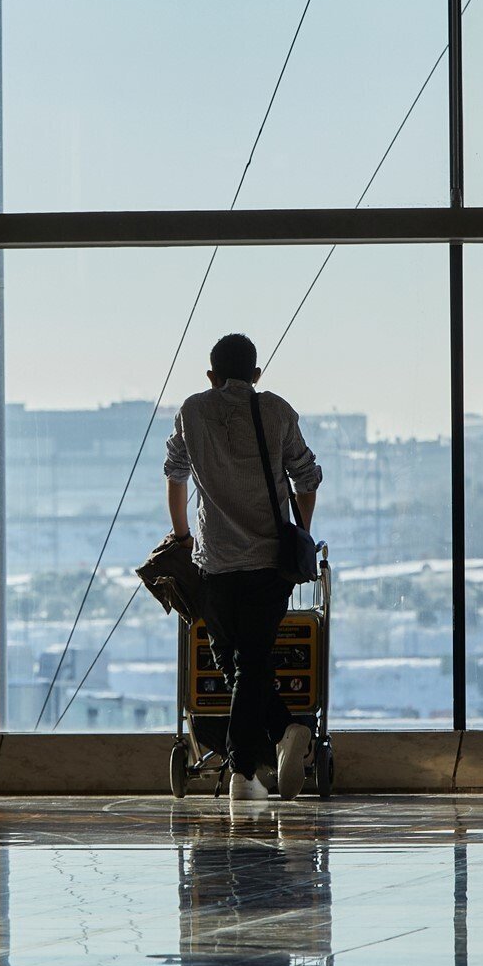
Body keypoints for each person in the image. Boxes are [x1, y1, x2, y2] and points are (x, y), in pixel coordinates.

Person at [162, 333, 322, 801]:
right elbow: (307, 478)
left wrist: (182, 535)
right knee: (248, 663)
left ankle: (242, 770)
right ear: (256, 374)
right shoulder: (276, 410)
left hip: (214, 561)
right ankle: (285, 731)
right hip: (270, 563)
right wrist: (299, 531)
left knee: (233, 660)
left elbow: (175, 473)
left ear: (211, 375)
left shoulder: (191, 411)